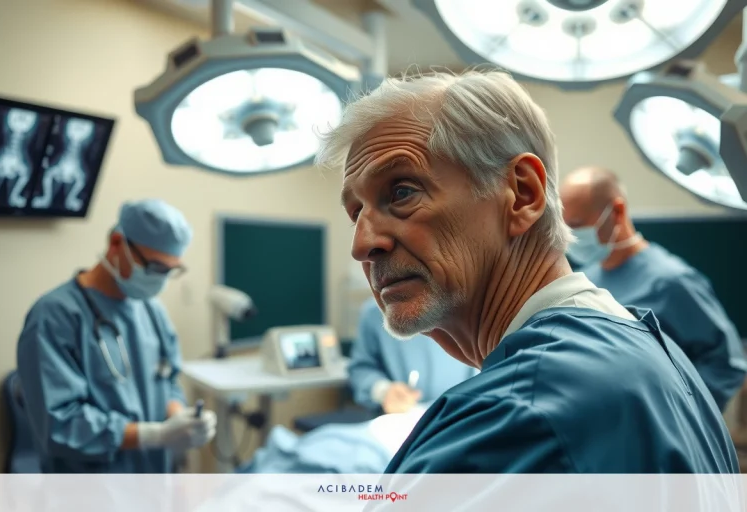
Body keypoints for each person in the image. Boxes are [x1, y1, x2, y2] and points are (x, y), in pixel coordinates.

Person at [315, 69, 739, 474]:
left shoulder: (512, 415)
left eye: (402, 191)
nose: (361, 245)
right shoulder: (652, 350)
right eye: (356, 213)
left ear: (522, 194)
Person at [16, 199, 217, 473]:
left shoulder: (152, 311)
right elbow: (59, 424)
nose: (161, 280)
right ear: (116, 243)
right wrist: (153, 435)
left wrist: (179, 418)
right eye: (156, 267)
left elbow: (166, 381)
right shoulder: (55, 316)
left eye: (171, 271)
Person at [560, 166, 747, 412]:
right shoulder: (585, 282)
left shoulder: (671, 282)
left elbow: (727, 364)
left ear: (617, 211)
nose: (571, 235)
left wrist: (675, 413)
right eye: (565, 226)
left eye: (576, 224)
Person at [349, 297, 476, 414]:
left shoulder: (468, 307)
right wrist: (384, 391)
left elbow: (487, 366)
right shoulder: (375, 312)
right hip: (400, 419)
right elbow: (361, 368)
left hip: (463, 413)